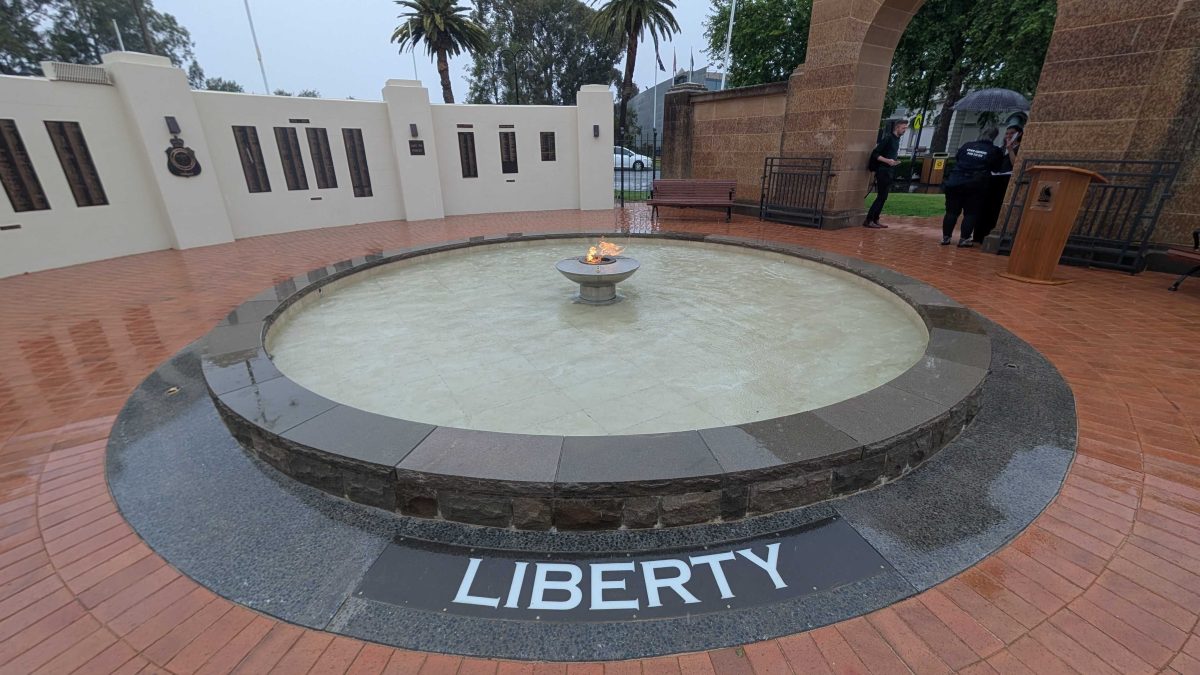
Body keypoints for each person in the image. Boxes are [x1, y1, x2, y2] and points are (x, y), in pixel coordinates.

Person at [941, 127, 1004, 247]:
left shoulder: (967, 145)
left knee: (951, 212)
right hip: (976, 185)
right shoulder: (994, 150)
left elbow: (958, 158)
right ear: (995, 137)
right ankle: (964, 239)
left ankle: (946, 238)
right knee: (971, 213)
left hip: (955, 181)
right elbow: (996, 168)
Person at [974, 124, 1022, 243]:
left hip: (1005, 181)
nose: (1008, 136)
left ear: (1019, 134)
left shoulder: (1020, 149)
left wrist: (1010, 149)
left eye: (1012, 133)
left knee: (996, 208)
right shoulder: (1000, 149)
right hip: (993, 180)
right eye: (1007, 133)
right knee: (985, 207)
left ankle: (990, 232)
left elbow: (1016, 165)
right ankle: (978, 235)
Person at [864, 118, 909, 228]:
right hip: (883, 171)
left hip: (889, 170)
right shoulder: (888, 138)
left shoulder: (896, 140)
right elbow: (875, 154)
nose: (904, 130)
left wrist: (894, 162)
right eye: (903, 128)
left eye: (905, 128)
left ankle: (875, 219)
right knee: (881, 196)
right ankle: (869, 220)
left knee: (884, 197)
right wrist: (887, 161)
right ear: (897, 127)